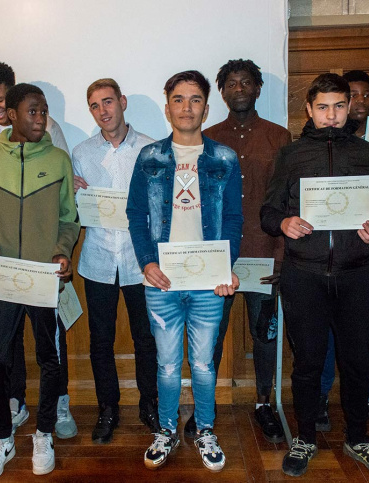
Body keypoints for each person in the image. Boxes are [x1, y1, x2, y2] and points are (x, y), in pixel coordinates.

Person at [127, 70, 243, 472]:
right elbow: (134, 214)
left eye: (195, 100)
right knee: (167, 365)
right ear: (167, 108)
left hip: (209, 281)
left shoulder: (225, 158)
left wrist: (226, 267)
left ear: (206, 108)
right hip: (162, 281)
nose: (187, 107)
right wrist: (147, 262)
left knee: (205, 364)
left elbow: (232, 218)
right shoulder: (150, 157)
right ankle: (166, 429)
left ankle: (205, 429)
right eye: (178, 99)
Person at [261, 73, 369, 477]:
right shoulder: (290, 155)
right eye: (322, 107)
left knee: (358, 362)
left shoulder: (368, 154)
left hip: (359, 274)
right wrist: (285, 223)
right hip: (304, 275)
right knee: (308, 362)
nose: (331, 115)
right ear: (308, 109)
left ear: (349, 107)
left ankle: (358, 436)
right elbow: (268, 213)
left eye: (339, 106)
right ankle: (305, 437)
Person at [0, 61, 76, 438]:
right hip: (2, 276)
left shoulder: (58, 157)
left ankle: (46, 429)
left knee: (50, 355)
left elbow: (68, 218)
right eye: (33, 111)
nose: (41, 117)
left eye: (44, 111)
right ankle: (2, 436)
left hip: (44, 277)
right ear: (12, 116)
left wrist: (61, 251)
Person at [186, 59, 290, 443]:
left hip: (265, 256)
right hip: (217, 260)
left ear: (258, 89)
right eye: (231, 83)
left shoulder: (279, 137)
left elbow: (289, 200)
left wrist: (282, 254)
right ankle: (203, 407)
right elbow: (192, 202)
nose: (239, 88)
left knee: (264, 336)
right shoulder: (206, 138)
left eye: (247, 82)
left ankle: (264, 404)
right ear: (223, 92)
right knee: (209, 336)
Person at [72, 78, 159, 444]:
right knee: (100, 340)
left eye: (108, 102)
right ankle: (108, 408)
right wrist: (74, 193)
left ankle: (150, 405)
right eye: (95, 106)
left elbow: (161, 204)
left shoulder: (152, 149)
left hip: (141, 262)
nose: (103, 111)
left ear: (122, 102)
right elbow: (76, 209)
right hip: (98, 259)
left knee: (146, 338)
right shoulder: (81, 152)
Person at [317, 70, 369, 431]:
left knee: (362, 342)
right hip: (323, 264)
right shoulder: (306, 150)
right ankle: (321, 400)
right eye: (330, 104)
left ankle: (363, 403)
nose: (355, 104)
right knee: (324, 341)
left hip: (362, 263)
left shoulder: (366, 152)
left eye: (359, 97)